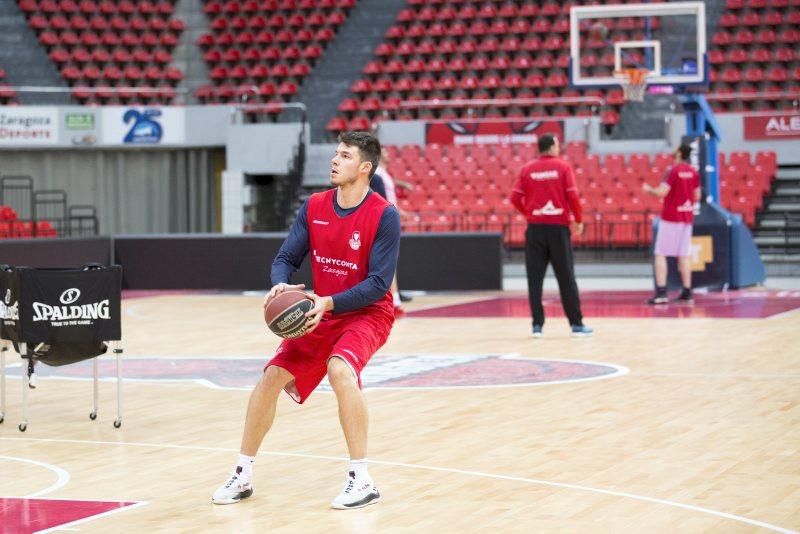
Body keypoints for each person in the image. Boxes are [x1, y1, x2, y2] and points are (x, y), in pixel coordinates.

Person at [212, 131, 400, 510]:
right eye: (335, 153)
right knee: (270, 378)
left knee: (340, 369)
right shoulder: (314, 206)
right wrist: (280, 285)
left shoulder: (384, 215)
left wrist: (328, 302)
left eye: (344, 156)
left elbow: (379, 284)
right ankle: (242, 473)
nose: (334, 160)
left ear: (364, 168)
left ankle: (362, 479)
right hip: (320, 312)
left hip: (366, 312)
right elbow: (284, 257)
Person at [509, 134, 593, 338]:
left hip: (535, 229)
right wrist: (579, 219)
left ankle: (537, 326)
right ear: (553, 147)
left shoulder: (527, 169)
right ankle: (576, 325)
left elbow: (514, 198)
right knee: (566, 278)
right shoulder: (563, 167)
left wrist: (529, 212)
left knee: (534, 279)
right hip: (558, 229)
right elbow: (572, 196)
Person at [642, 143, 701, 304]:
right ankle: (687, 292)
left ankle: (661, 293)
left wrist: (648, 190)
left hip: (671, 217)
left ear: (679, 153)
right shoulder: (693, 172)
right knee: (683, 256)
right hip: (687, 218)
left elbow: (662, 192)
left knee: (660, 253)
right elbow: (697, 196)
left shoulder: (673, 170)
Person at [372, 148, 414, 310]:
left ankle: (394, 298)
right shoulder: (377, 174)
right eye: (385, 151)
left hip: (390, 217)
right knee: (386, 260)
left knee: (389, 260)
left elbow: (389, 194)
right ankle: (393, 300)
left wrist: (399, 211)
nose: (389, 154)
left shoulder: (385, 173)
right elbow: (381, 197)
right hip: (384, 219)